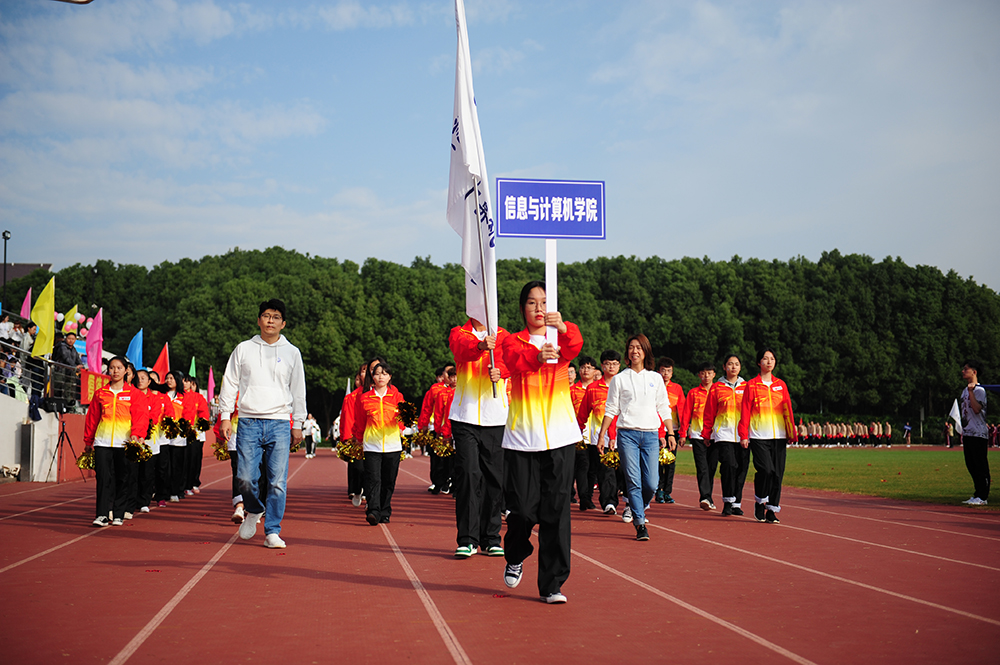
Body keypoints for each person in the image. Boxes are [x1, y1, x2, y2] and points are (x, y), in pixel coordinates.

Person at [500, 281, 583, 604]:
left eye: (544, 302)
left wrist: (562, 327)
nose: (538, 308)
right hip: (523, 437)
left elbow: (574, 345)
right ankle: (516, 553)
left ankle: (552, 583)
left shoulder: (560, 338)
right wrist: (538, 355)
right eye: (532, 302)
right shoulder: (512, 341)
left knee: (557, 511)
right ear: (523, 308)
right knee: (521, 510)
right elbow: (515, 360)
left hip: (560, 435)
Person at [219, 299, 307, 549]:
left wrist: (298, 422)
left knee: (277, 481)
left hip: (279, 422)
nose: (271, 320)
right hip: (248, 421)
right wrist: (226, 414)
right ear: (258, 320)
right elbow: (230, 383)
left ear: (283, 323)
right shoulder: (244, 349)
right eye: (266, 316)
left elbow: (298, 389)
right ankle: (255, 510)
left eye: (276, 317)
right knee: (246, 478)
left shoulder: (292, 352)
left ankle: (272, 531)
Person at [599, 334, 673, 541]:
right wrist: (602, 434)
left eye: (639, 347)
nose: (635, 351)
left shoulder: (655, 378)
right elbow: (611, 408)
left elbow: (663, 407)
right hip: (627, 434)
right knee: (633, 480)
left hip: (650, 435)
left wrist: (670, 432)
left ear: (645, 351)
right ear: (627, 353)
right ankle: (640, 524)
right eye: (631, 347)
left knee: (651, 482)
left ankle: (635, 504)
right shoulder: (620, 379)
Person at [447, 317, 510, 558]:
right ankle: (467, 538)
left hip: (495, 417)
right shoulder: (459, 332)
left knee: (494, 479)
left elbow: (512, 363)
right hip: (465, 416)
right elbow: (461, 351)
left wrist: (500, 371)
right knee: (469, 475)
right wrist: (481, 347)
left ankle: (491, 537)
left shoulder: (504, 336)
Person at [82, 356, 148, 527]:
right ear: (108, 370)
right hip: (102, 442)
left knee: (122, 478)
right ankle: (102, 514)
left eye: (119, 368)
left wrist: (137, 434)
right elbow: (92, 418)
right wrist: (88, 441)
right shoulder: (100, 393)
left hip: (124, 443)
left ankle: (118, 513)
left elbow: (141, 417)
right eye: (112, 368)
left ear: (126, 370)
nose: (115, 371)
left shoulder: (135, 394)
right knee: (103, 479)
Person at [738, 348, 797, 523]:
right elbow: (745, 411)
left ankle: (771, 509)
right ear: (759, 362)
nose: (769, 361)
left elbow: (788, 410)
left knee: (778, 473)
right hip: (758, 435)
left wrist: (791, 431)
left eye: (772, 359)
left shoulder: (781, 385)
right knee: (766, 470)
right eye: (765, 359)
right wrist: (743, 435)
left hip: (779, 435)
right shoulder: (752, 385)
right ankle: (760, 500)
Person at [353, 359, 405, 525]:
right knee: (373, 479)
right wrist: (359, 439)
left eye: (384, 373)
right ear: (372, 377)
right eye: (377, 373)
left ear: (390, 377)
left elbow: (404, 419)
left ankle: (385, 510)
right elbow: (360, 421)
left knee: (389, 480)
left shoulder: (397, 396)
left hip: (393, 445)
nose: (381, 377)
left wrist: (403, 426)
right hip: (372, 445)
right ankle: (373, 510)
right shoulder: (365, 398)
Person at [700, 354, 746, 516]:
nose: (733, 367)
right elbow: (709, 412)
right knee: (729, 465)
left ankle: (736, 503)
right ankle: (728, 500)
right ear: (724, 367)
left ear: (740, 367)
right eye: (730, 364)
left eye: (736, 364)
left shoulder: (746, 387)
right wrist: (707, 433)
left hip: (743, 435)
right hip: (723, 434)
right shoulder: (717, 387)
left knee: (741, 469)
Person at [577, 350, 621, 515]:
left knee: (623, 472)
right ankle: (609, 502)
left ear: (619, 366)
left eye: (614, 364)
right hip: (600, 439)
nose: (611, 367)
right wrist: (578, 432)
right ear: (602, 366)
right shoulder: (593, 388)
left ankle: (628, 500)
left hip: (623, 437)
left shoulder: (624, 386)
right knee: (605, 471)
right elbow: (583, 413)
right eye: (608, 363)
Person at [681, 361, 716, 511]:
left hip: (715, 435)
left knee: (712, 468)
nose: (706, 376)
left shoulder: (718, 391)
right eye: (703, 373)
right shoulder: (693, 393)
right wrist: (683, 434)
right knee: (702, 468)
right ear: (699, 375)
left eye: (709, 373)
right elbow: (686, 414)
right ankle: (705, 497)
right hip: (697, 435)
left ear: (714, 374)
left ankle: (709, 496)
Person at [419, 364, 455, 493]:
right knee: (437, 457)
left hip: (455, 429)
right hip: (438, 427)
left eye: (453, 373)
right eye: (447, 373)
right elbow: (427, 407)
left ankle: (450, 481)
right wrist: (423, 424)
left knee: (452, 458)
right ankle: (437, 481)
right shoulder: (436, 390)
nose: (451, 376)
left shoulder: (461, 389)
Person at [959, 359, 989, 506]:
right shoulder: (964, 391)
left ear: (974, 372)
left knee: (980, 465)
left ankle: (983, 496)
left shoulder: (979, 390)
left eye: (966, 369)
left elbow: (977, 409)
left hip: (979, 433)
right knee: (970, 464)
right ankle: (977, 494)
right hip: (968, 433)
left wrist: (971, 392)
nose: (963, 371)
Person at [656, 357, 686, 504]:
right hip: (655, 430)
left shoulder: (677, 389)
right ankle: (658, 490)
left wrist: (682, 433)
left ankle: (667, 491)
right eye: (663, 370)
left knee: (670, 462)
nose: (665, 374)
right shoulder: (654, 387)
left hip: (672, 431)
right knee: (658, 462)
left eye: (668, 371)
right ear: (658, 371)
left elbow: (683, 410)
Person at [569, 355, 597, 508]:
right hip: (579, 434)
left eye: (589, 367)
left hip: (598, 435)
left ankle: (589, 496)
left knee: (593, 467)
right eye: (583, 367)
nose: (586, 370)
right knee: (582, 465)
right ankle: (584, 497)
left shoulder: (598, 389)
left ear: (594, 370)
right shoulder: (572, 390)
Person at [340, 364, 368, 507]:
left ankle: (372, 497)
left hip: (377, 438)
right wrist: (348, 438)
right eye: (363, 371)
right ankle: (356, 490)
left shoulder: (389, 394)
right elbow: (348, 418)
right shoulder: (352, 398)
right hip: (358, 439)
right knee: (358, 468)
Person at [163, 370, 189, 502]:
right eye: (167, 378)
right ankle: (164, 491)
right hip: (163, 436)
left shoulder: (183, 397)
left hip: (178, 437)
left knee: (177, 465)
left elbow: (188, 415)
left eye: (171, 378)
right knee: (165, 466)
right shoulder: (162, 395)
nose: (168, 380)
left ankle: (176, 490)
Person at [183, 375, 210, 495]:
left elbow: (204, 414)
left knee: (195, 459)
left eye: (192, 384)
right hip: (183, 434)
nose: (190, 386)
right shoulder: (181, 396)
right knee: (185, 460)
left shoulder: (199, 398)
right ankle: (185, 484)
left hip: (197, 434)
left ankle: (193, 482)